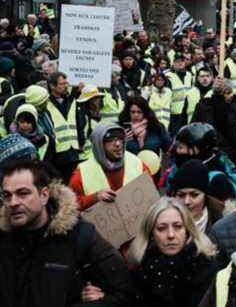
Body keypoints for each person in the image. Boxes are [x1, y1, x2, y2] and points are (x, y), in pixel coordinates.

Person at [0, 160, 134, 306]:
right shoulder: (4, 239)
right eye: (7, 195)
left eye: (23, 193)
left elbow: (124, 293)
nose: (13, 203)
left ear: (44, 195)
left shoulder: (81, 236)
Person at [128, 197, 218, 307]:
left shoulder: (204, 265)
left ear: (187, 230)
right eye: (161, 228)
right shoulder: (141, 267)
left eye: (178, 227)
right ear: (151, 233)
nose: (171, 235)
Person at [68, 122, 152, 211]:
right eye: (111, 140)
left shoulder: (138, 164)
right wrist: (94, 198)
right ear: (99, 144)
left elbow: (151, 195)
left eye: (120, 138)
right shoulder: (82, 173)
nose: (118, 144)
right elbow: (69, 205)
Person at [164, 122, 236, 203]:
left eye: (181, 147)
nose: (177, 151)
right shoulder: (179, 168)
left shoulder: (217, 181)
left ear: (198, 149)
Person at [171, 159, 234, 234]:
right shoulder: (163, 220)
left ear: (205, 195)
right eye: (181, 195)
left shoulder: (224, 221)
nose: (186, 201)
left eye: (194, 195)